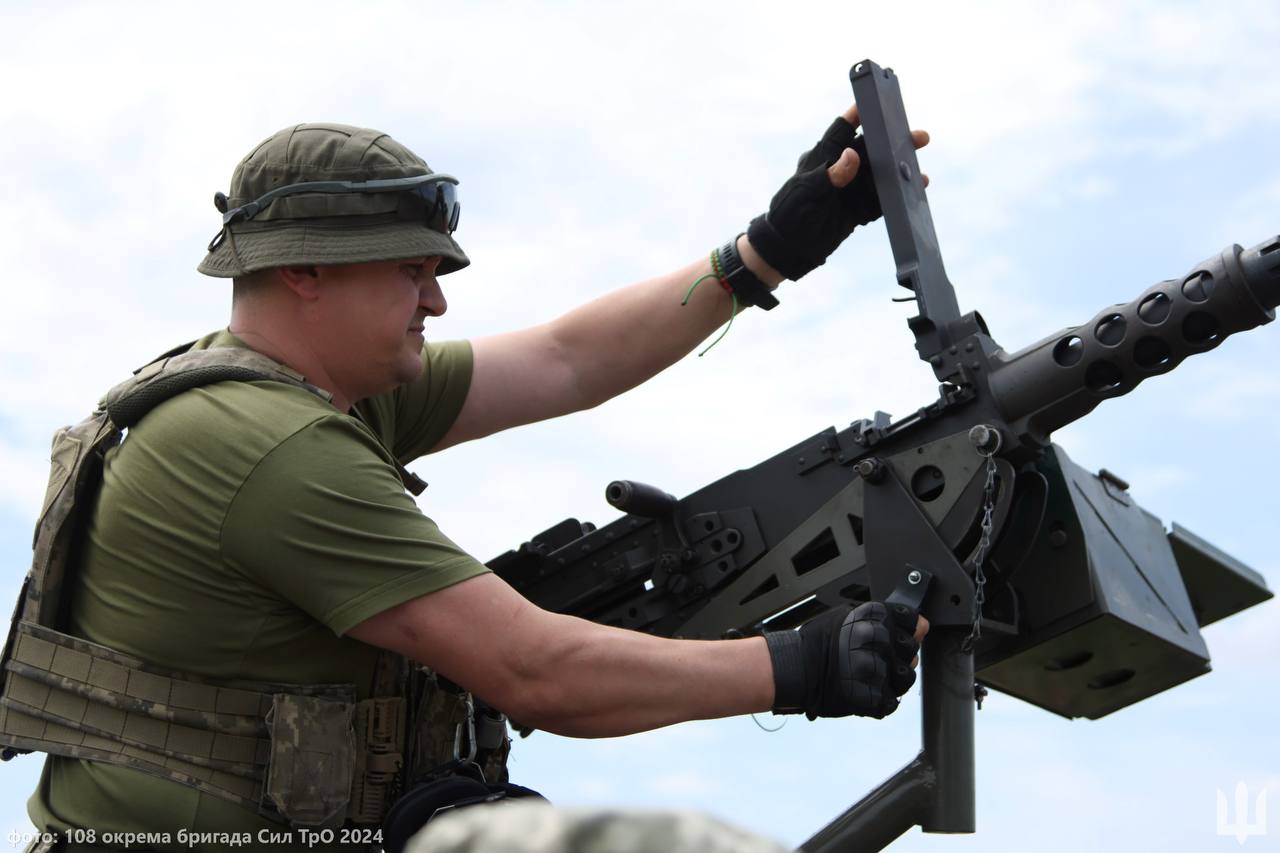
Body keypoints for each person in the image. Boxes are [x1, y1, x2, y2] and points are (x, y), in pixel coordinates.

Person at [13, 106, 929, 851]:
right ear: (303, 269)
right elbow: (538, 671)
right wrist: (799, 663)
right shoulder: (268, 447)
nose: (438, 299)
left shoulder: (305, 388)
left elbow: (568, 360)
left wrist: (766, 250)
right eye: (411, 271)